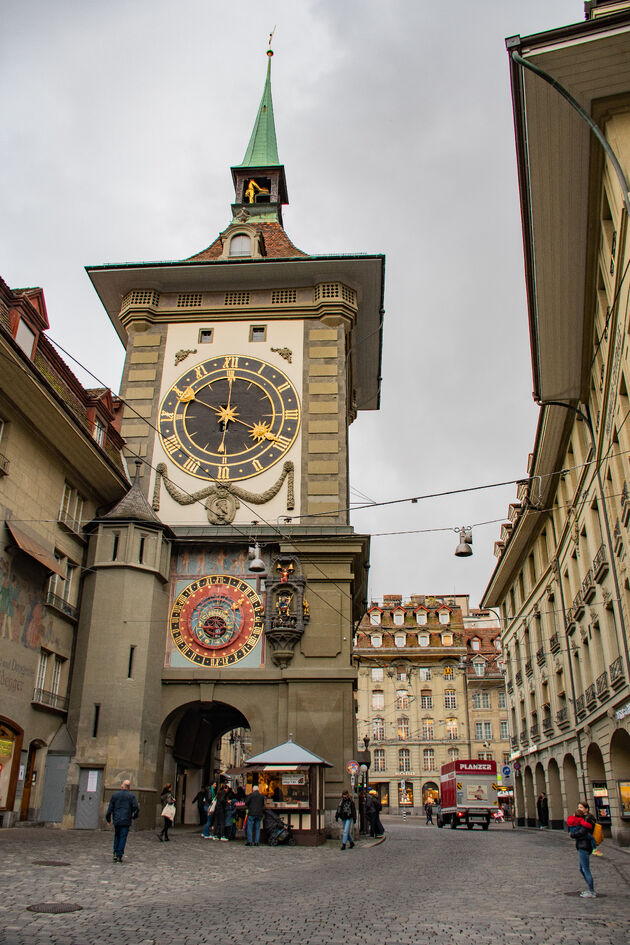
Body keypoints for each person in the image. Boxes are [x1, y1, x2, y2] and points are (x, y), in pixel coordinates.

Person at [566, 801, 597, 898]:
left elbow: (583, 831)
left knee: (585, 869)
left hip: (585, 845)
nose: (580, 809)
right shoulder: (583, 818)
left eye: (581, 807)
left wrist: (572, 834)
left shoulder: (589, 818)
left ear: (586, 809)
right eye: (578, 807)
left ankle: (591, 890)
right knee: (582, 868)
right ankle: (590, 888)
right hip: (582, 845)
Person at [105, 780, 139, 863]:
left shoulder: (115, 795)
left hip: (117, 818)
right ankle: (120, 855)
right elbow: (136, 808)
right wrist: (134, 816)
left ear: (122, 786)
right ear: (129, 787)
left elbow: (110, 809)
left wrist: (108, 819)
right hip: (126, 819)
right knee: (123, 837)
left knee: (117, 835)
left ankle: (115, 853)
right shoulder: (131, 796)